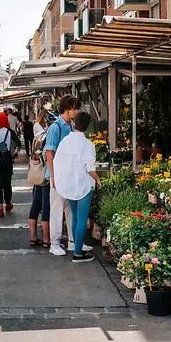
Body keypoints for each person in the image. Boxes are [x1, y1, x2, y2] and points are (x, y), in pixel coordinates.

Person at [45, 95, 91, 257]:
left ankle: (74, 242)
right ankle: (54, 243)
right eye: (75, 108)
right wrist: (54, 176)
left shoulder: (71, 126)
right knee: (57, 209)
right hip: (58, 175)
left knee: (71, 210)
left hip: (71, 175)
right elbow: (49, 153)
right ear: (68, 108)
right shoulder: (55, 128)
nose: (76, 111)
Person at [52, 111, 101, 263]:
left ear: (74, 123)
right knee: (81, 219)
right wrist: (98, 180)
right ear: (87, 126)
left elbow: (57, 162)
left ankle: (75, 246)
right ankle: (78, 253)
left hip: (67, 185)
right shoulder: (88, 144)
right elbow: (90, 168)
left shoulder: (65, 141)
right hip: (83, 185)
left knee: (74, 217)